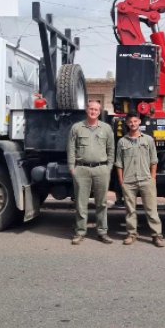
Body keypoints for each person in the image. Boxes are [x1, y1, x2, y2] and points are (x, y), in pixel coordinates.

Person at [67, 100, 115, 245]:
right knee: (81, 203)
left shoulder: (106, 129)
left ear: (99, 112)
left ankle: (102, 232)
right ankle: (80, 232)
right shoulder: (77, 128)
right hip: (81, 169)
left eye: (96, 109)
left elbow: (111, 149)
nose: (93, 111)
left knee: (101, 203)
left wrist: (109, 167)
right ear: (86, 110)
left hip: (101, 169)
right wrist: (72, 167)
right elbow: (71, 148)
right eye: (91, 109)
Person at [115, 112, 165, 248]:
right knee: (130, 210)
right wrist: (121, 181)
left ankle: (156, 236)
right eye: (130, 121)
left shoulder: (148, 140)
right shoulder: (122, 142)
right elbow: (119, 163)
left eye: (135, 121)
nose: (133, 124)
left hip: (146, 179)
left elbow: (154, 160)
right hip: (129, 180)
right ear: (127, 123)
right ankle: (131, 234)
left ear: (139, 122)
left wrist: (152, 178)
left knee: (151, 209)